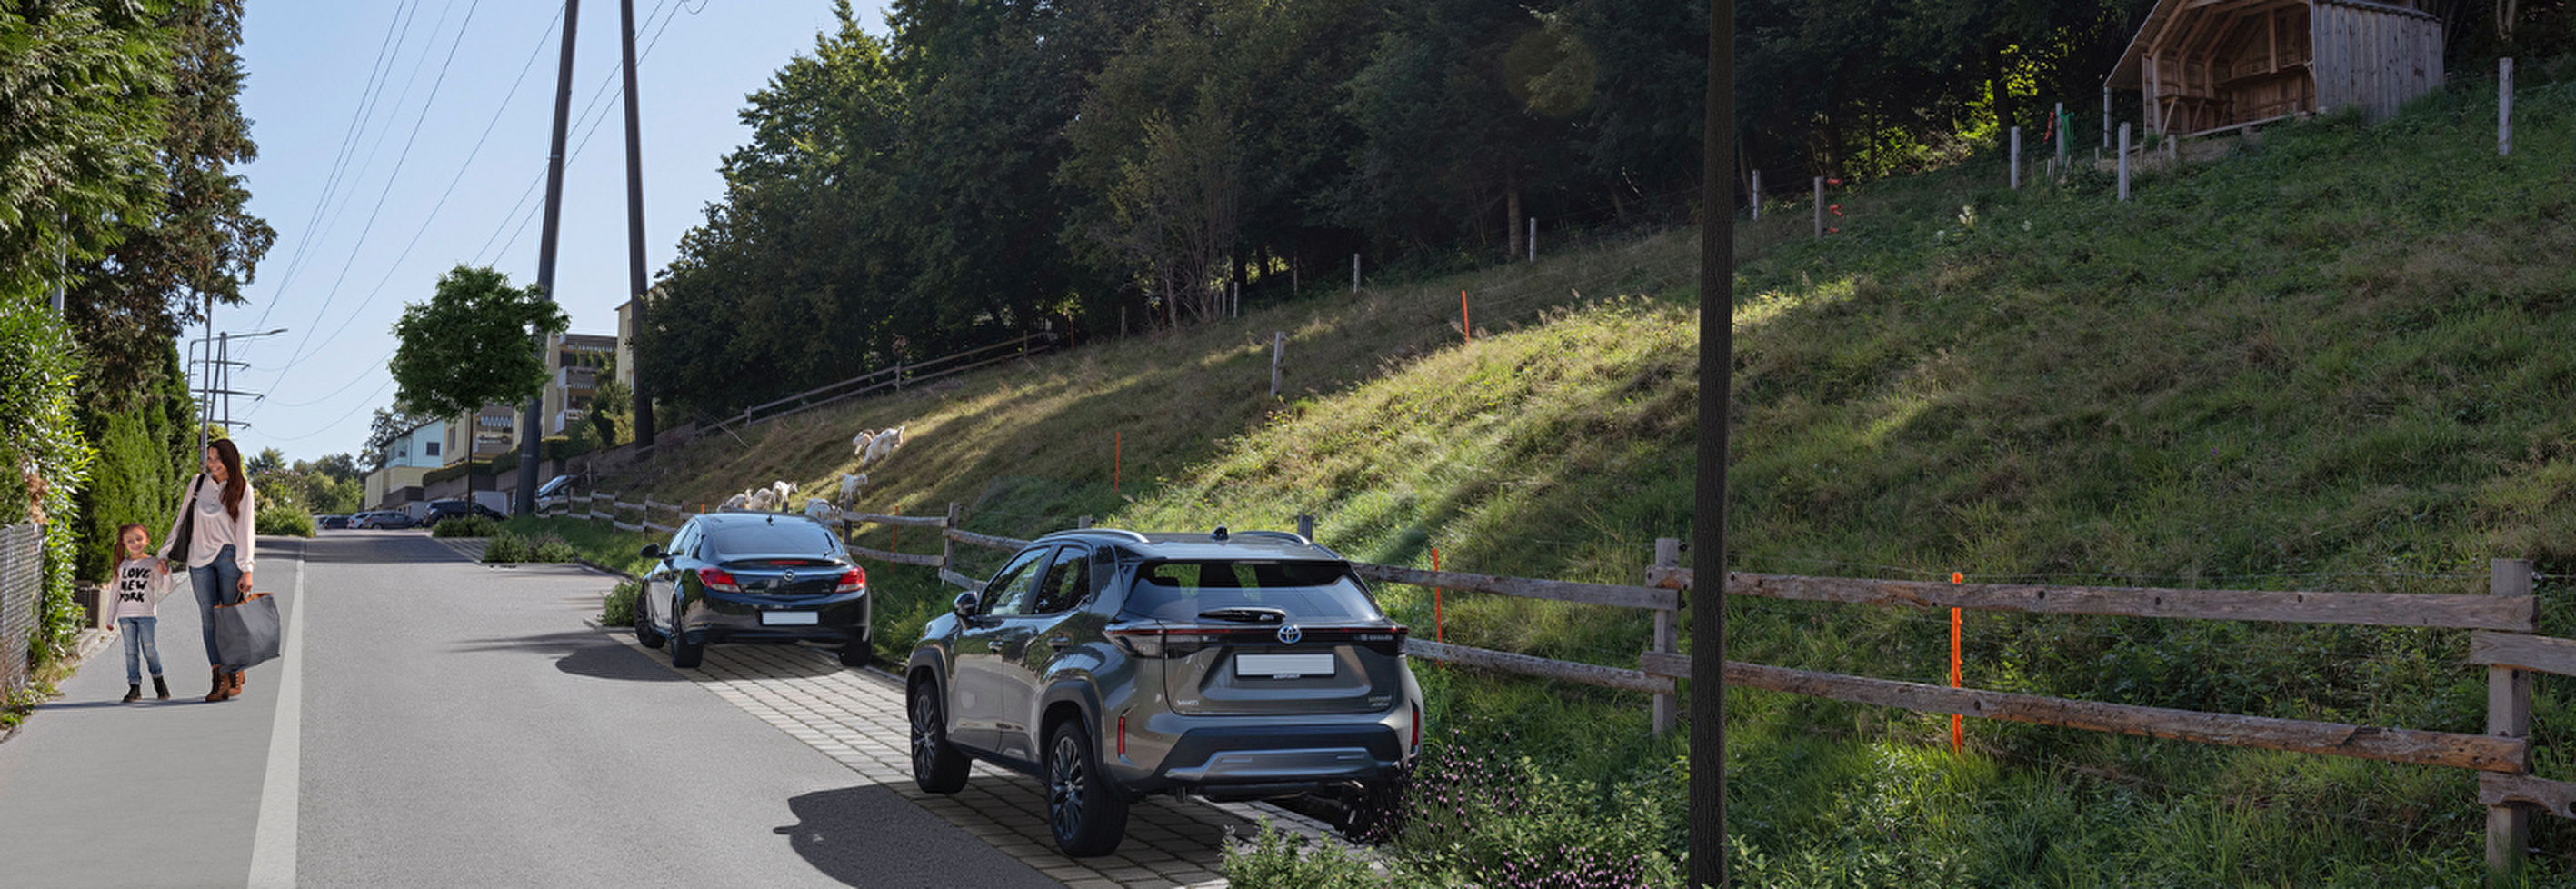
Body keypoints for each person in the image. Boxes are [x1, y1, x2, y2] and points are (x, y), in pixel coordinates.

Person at [159, 438, 255, 703]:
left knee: (230, 618)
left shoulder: (243, 489)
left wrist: (246, 569)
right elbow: (181, 520)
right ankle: (219, 678)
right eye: (209, 458)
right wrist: (164, 552)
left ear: (230, 460)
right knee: (208, 619)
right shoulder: (198, 483)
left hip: (228, 557)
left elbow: (246, 532)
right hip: (198, 560)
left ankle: (234, 669)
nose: (212, 464)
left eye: (217, 459)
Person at [107, 524, 171, 703]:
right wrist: (109, 619)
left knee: (149, 649)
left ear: (147, 540)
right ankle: (134, 687)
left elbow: (166, 588)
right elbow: (114, 594)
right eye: (130, 541)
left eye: (139, 539)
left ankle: (159, 681)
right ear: (124, 543)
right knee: (130, 651)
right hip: (125, 615)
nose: (135, 543)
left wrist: (165, 572)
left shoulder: (153, 563)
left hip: (146, 615)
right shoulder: (122, 565)